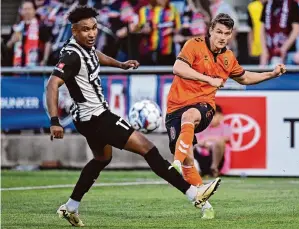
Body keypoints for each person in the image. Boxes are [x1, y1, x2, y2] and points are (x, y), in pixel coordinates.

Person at [46, 6, 221, 227]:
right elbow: (52, 85)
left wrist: (120, 64)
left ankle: (70, 207)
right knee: (149, 149)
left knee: (102, 158)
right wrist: (54, 121)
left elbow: (96, 56)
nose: (91, 34)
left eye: (94, 28)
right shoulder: (71, 57)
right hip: (97, 118)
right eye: (85, 30)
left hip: (87, 119)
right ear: (74, 31)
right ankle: (194, 194)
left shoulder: (84, 48)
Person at [165, 13, 287, 220]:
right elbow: (178, 67)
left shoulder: (228, 57)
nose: (222, 37)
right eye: (219, 32)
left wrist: (270, 74)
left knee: (190, 115)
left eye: (227, 33)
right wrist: (208, 79)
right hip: (174, 108)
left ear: (231, 35)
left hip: (203, 107)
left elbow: (244, 77)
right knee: (189, 160)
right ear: (210, 30)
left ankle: (175, 162)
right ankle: (206, 205)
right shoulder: (193, 45)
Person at [260, 0, 299, 66]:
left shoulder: (293, 5)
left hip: (288, 53)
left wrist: (284, 48)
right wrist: (264, 50)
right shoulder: (267, 5)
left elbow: (296, 30)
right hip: (268, 51)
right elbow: (262, 30)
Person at [194, 104, 232, 177]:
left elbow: (226, 138)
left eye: (214, 115)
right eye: (209, 115)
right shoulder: (201, 127)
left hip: (217, 158)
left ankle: (214, 168)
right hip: (201, 156)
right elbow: (195, 141)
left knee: (219, 143)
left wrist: (208, 140)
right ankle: (194, 169)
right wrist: (202, 143)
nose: (211, 118)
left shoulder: (226, 127)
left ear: (221, 117)